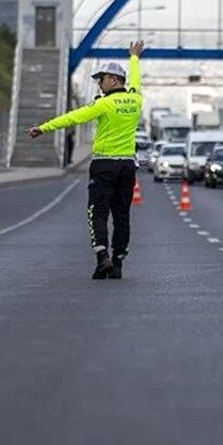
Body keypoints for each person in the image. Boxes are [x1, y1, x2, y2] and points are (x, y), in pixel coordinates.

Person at [29, 41, 145, 280]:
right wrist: (134, 57)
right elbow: (136, 80)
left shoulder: (103, 104)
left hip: (104, 165)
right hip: (127, 166)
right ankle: (119, 261)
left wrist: (44, 128)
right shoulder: (136, 100)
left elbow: (74, 117)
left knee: (97, 213)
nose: (99, 84)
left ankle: (102, 257)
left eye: (101, 79)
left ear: (113, 80)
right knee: (122, 215)